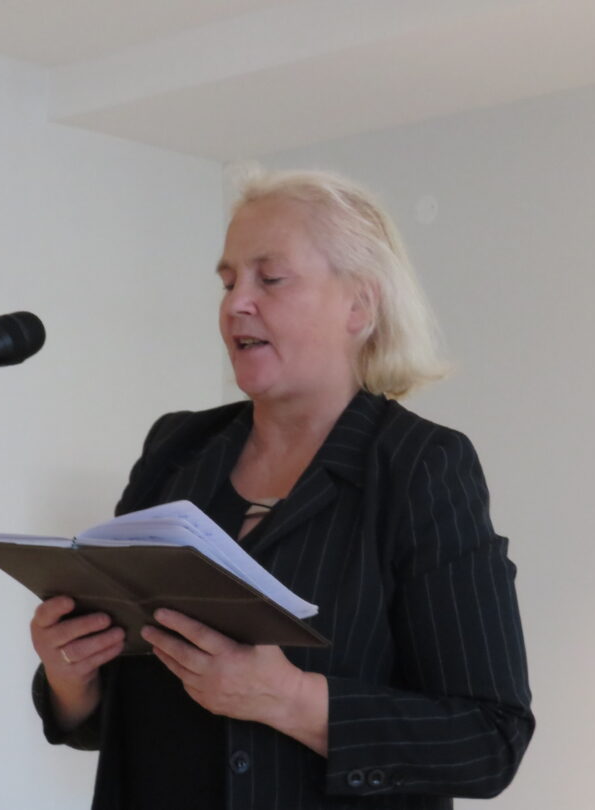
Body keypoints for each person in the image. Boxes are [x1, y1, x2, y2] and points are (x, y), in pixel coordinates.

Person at [29, 168, 534, 809]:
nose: (236, 303)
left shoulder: (422, 466)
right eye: (228, 282)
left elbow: (489, 740)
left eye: (269, 279)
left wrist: (290, 699)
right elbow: (128, 713)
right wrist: (70, 676)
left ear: (360, 306)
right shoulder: (174, 449)